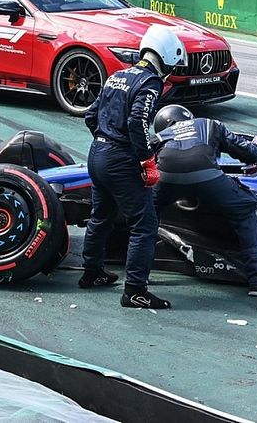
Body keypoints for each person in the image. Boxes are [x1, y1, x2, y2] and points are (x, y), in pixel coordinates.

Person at [81, 24, 186, 309]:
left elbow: (91, 116)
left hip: (97, 154)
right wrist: (145, 159)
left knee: (100, 216)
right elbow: (137, 121)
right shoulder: (149, 81)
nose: (169, 74)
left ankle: (91, 273)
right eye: (171, 67)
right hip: (119, 159)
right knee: (145, 224)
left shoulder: (118, 75)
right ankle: (135, 290)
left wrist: (105, 141)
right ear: (163, 57)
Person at [151, 106, 257, 297]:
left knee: (146, 218)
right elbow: (247, 152)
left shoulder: (159, 137)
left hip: (167, 176)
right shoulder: (209, 123)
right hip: (207, 174)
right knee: (245, 208)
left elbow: (144, 163)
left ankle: (138, 278)